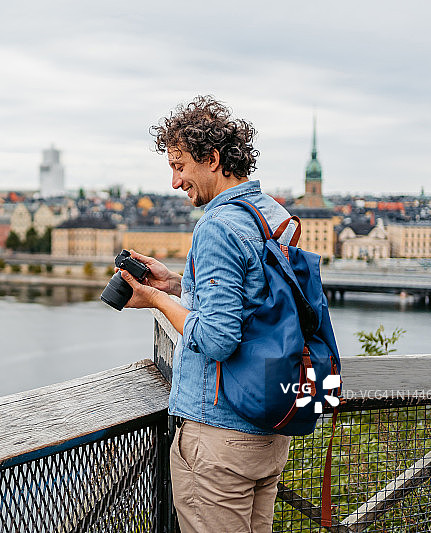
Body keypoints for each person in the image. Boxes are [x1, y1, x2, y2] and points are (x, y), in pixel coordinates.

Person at [118, 96, 295, 533]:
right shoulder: (273, 214)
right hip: (269, 426)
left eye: (180, 166)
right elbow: (253, 303)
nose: (176, 181)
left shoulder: (217, 226)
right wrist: (178, 286)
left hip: (219, 437)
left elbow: (218, 338)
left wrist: (157, 301)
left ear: (212, 159)